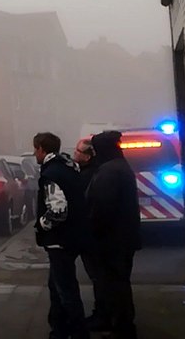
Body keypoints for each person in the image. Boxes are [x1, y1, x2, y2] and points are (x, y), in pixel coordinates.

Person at [33, 131, 90, 339]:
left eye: (35, 149)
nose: (34, 154)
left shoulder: (51, 174)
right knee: (57, 286)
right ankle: (59, 328)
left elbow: (58, 211)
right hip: (73, 237)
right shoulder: (68, 169)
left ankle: (77, 332)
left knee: (66, 290)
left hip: (60, 240)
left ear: (41, 149)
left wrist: (40, 225)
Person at [87, 130, 141, 338]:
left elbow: (102, 207)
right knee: (118, 283)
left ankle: (123, 328)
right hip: (122, 238)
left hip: (112, 240)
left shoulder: (109, 171)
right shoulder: (119, 166)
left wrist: (92, 231)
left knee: (115, 285)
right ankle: (117, 322)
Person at [72, 138, 104, 328]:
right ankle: (102, 313)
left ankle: (102, 315)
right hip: (92, 235)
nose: (75, 153)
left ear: (87, 156)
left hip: (92, 236)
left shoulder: (88, 175)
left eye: (78, 151)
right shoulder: (90, 172)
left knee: (98, 277)